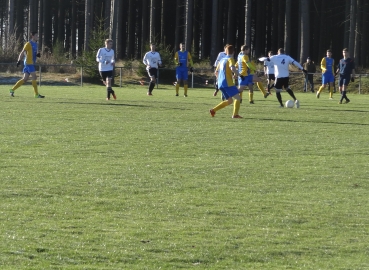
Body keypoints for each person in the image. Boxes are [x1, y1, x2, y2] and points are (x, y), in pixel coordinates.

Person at [210, 45, 242, 119]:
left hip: (220, 83)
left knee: (230, 100)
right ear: (233, 52)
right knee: (238, 98)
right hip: (227, 83)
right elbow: (232, 68)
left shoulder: (222, 60)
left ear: (226, 51)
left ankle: (213, 110)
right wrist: (239, 74)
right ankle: (235, 115)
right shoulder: (230, 59)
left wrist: (220, 79)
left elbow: (216, 72)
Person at [9, 31, 44, 98]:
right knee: (34, 77)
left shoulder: (36, 44)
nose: (37, 37)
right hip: (28, 63)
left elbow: (35, 53)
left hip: (31, 63)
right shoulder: (28, 44)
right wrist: (19, 60)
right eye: (36, 35)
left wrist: (37, 55)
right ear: (32, 36)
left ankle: (12, 90)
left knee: (25, 79)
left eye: (37, 35)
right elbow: (22, 52)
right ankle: (36, 94)